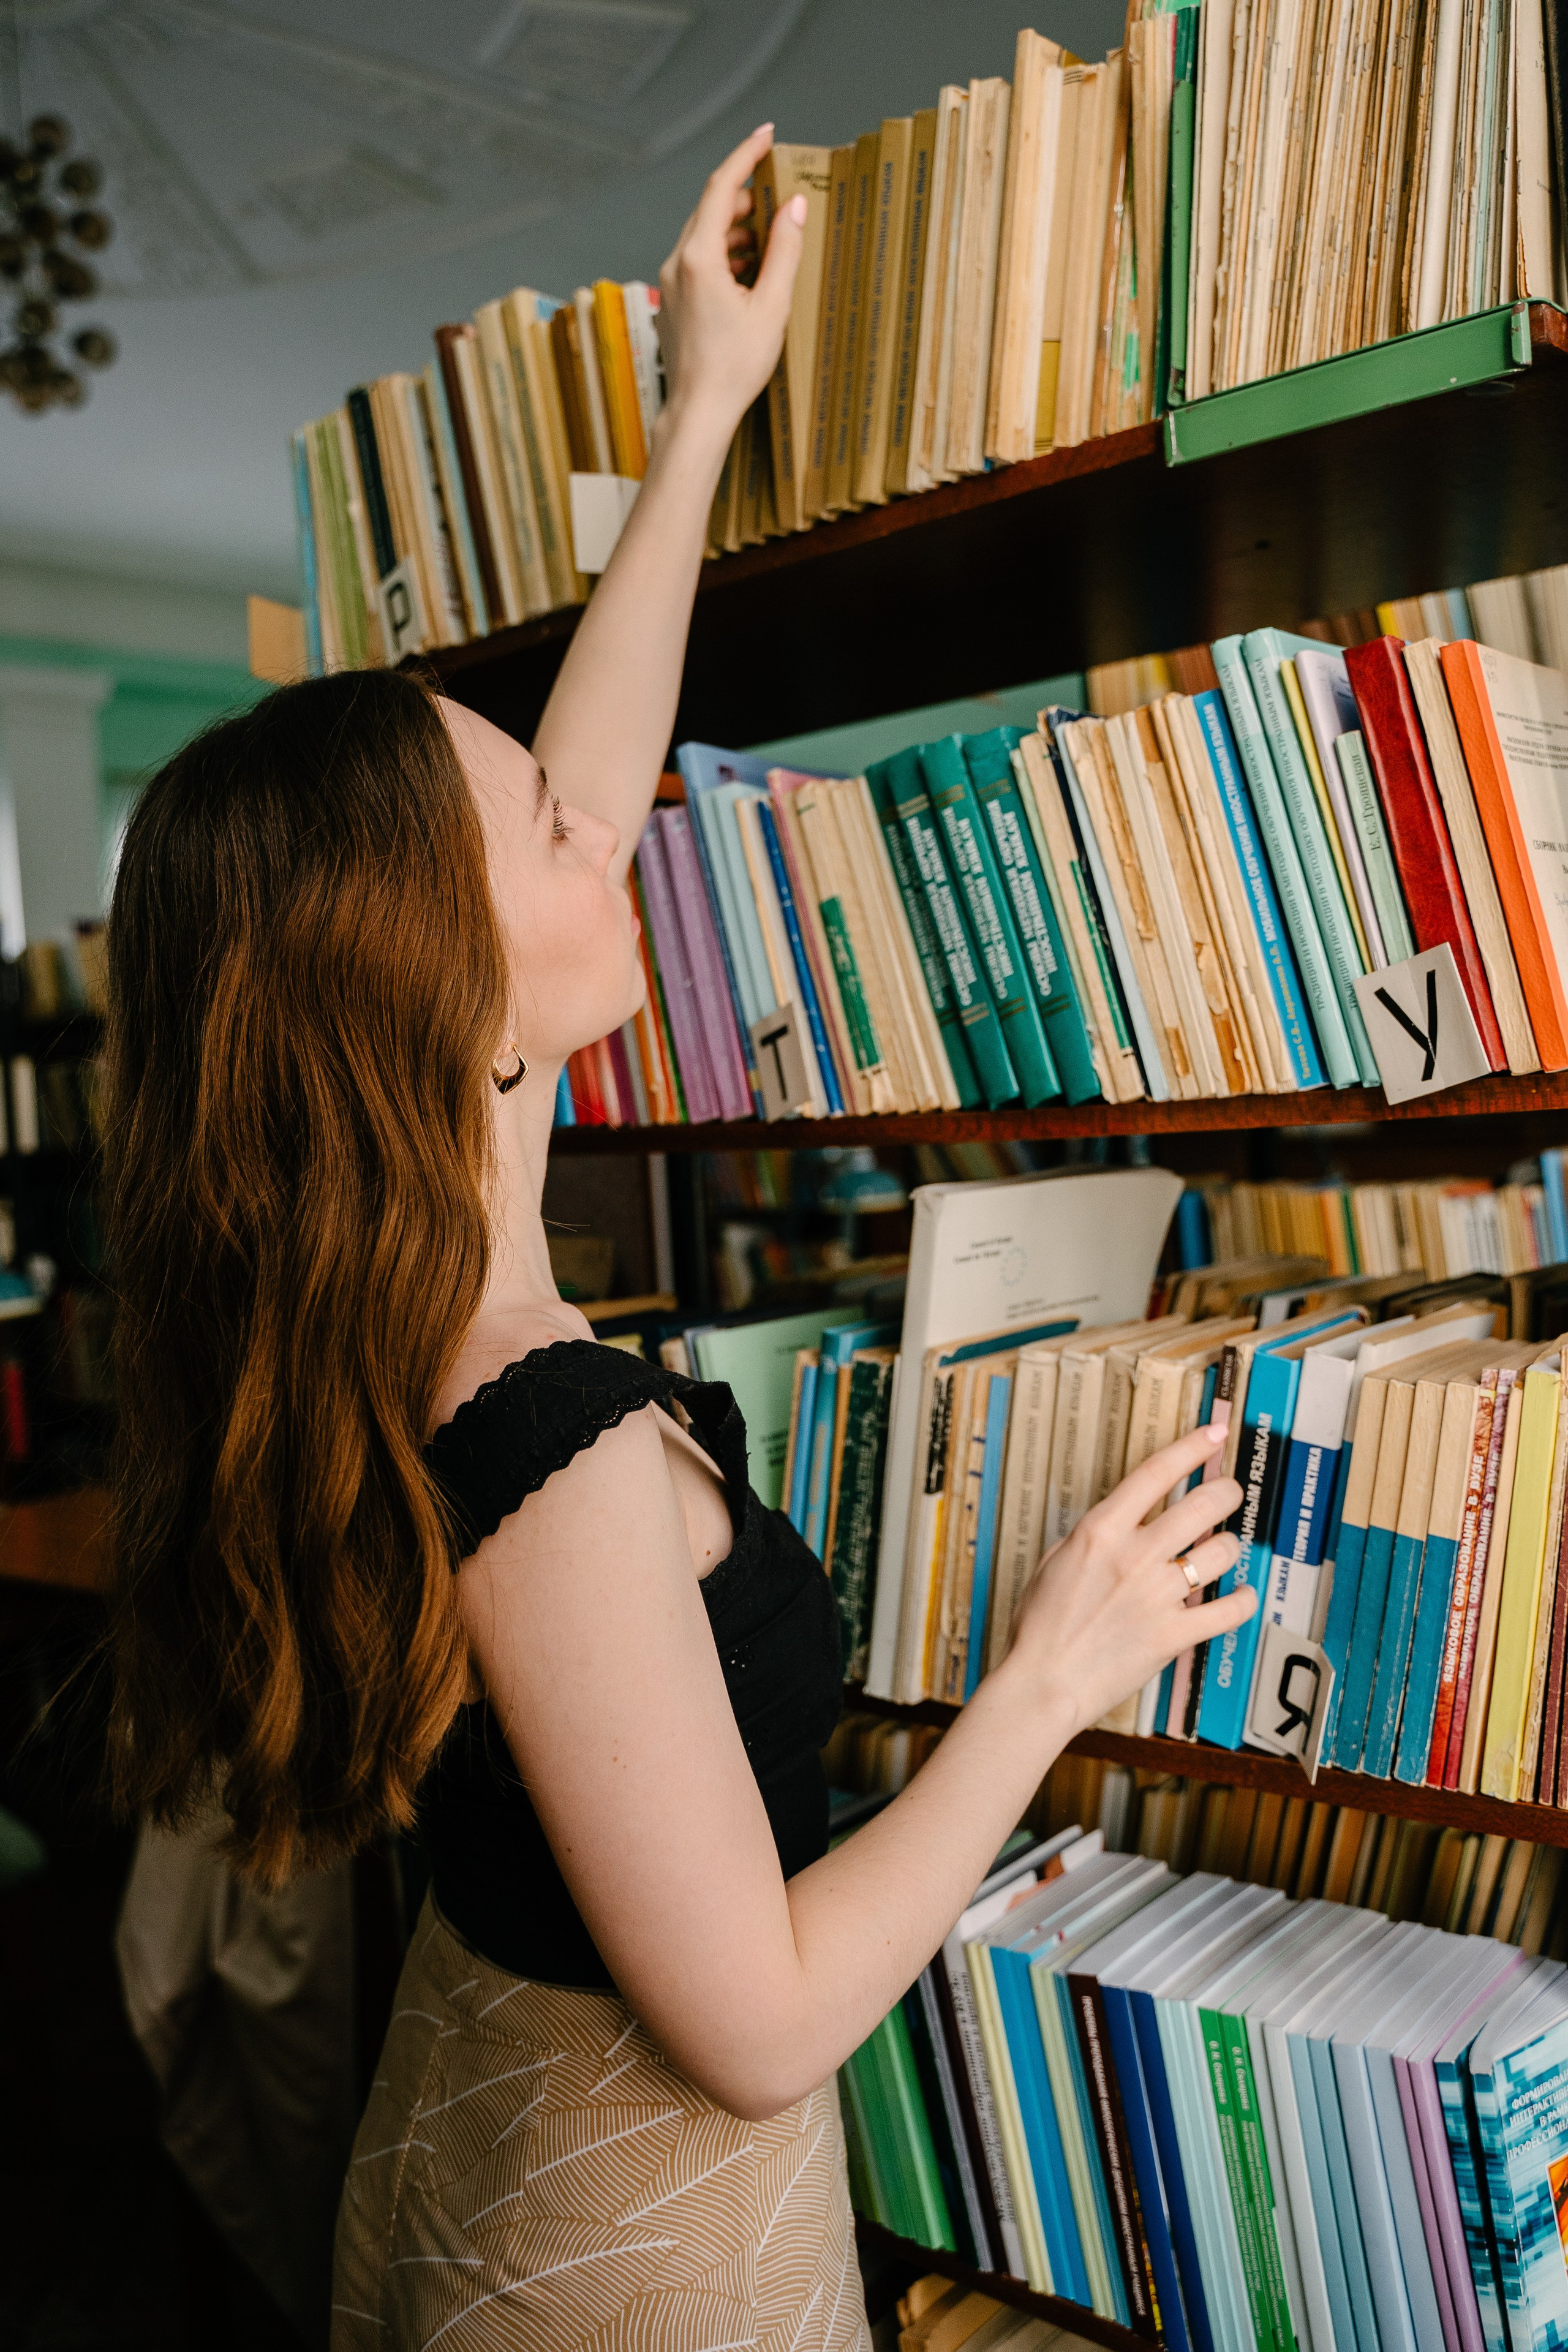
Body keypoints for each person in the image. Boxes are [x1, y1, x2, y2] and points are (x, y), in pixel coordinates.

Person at [102, 127, 1256, 2352]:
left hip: (488, 2127)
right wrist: (1052, 1672)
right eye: (535, 821)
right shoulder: (531, 1436)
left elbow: (595, 775)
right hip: (616, 2249)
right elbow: (755, 2023)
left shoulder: (441, 1197)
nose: (594, 817)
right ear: (438, 974)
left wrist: (704, 405)